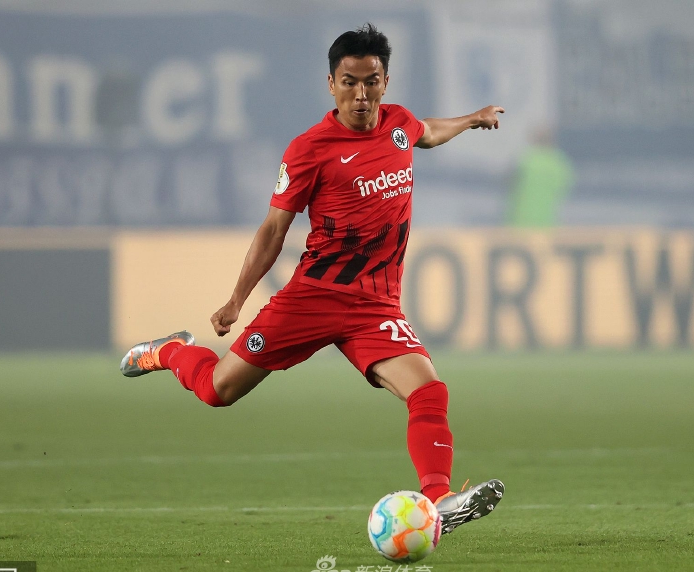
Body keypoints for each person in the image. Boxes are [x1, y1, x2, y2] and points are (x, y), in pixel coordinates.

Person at [120, 23, 504, 534]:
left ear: (385, 82)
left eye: (371, 82)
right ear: (330, 84)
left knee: (429, 391)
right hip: (313, 297)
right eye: (349, 82)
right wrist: (236, 300)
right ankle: (169, 352)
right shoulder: (310, 149)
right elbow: (273, 229)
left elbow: (428, 132)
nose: (361, 94)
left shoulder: (398, 124)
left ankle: (439, 500)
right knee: (218, 390)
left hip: (375, 306)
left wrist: (473, 119)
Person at [508, 127, 574, 228]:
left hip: (520, 219)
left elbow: (511, 185)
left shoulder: (526, 161)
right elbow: (565, 188)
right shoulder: (559, 163)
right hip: (547, 220)